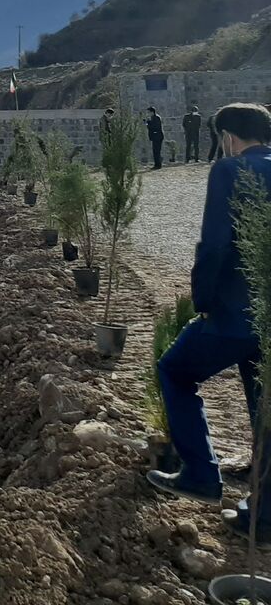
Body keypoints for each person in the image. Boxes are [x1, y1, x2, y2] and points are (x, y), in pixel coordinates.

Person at [148, 102, 271, 541]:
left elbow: (216, 244)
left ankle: (201, 475)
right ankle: (264, 518)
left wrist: (202, 299)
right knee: (265, 404)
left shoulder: (229, 170)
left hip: (235, 314)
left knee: (176, 370)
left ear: (228, 137)